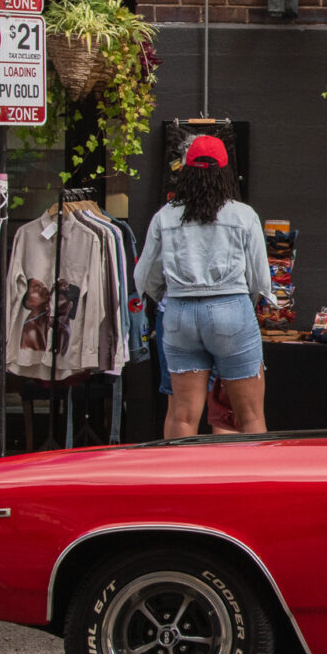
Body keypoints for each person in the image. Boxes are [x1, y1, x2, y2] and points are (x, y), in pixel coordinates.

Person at [134, 135, 271, 438]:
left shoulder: (165, 216)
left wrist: (167, 297)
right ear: (225, 172)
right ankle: (251, 483)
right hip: (231, 310)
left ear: (185, 171)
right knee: (249, 416)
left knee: (181, 415)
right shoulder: (243, 214)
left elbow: (144, 277)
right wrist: (243, 304)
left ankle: (181, 484)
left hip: (180, 314)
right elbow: (261, 279)